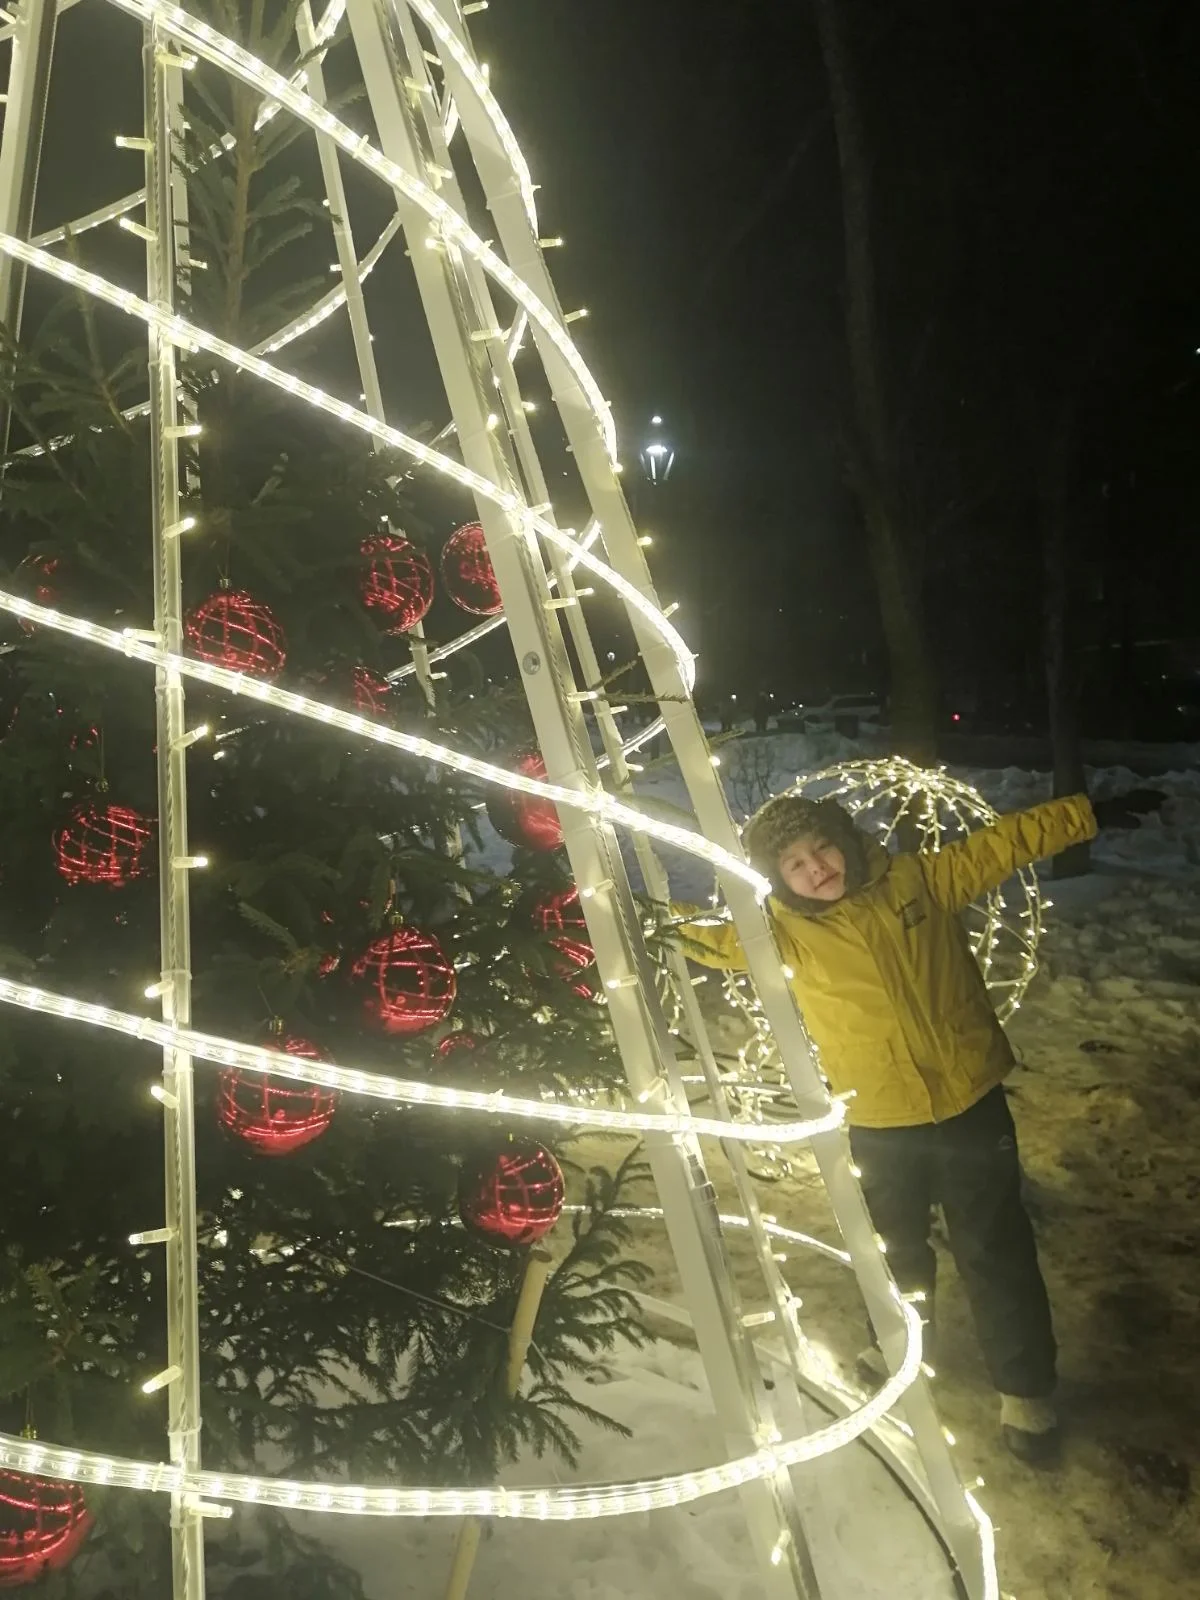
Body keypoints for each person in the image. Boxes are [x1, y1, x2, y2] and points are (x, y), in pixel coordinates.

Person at [673, 785, 1164, 1464]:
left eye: (822, 848)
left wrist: (1085, 814)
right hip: (878, 1119)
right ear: (778, 878)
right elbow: (697, 934)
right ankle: (902, 1347)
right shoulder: (778, 932)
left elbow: (1001, 845)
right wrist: (610, 907)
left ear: (844, 841)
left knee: (995, 1247)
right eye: (795, 864)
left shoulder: (918, 881)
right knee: (894, 1246)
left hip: (969, 1103)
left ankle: (1024, 1390)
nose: (817, 868)